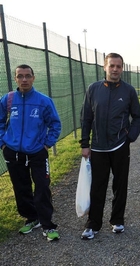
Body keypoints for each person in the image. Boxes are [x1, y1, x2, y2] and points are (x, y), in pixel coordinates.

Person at [79, 53, 140, 240]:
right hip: (98, 147)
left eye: (119, 66)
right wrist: (85, 144)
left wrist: (130, 137)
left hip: (120, 146)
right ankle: (93, 224)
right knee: (97, 186)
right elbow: (86, 118)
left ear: (122, 68)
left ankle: (117, 220)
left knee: (120, 184)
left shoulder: (128, 90)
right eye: (112, 65)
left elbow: (138, 117)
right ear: (105, 67)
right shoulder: (93, 89)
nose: (115, 69)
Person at [0, 64, 62, 241]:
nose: (24, 79)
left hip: (37, 152)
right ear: (15, 79)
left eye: (28, 76)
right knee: (21, 188)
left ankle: (48, 225)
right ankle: (32, 218)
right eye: (20, 76)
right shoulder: (8, 99)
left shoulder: (43, 101)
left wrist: (47, 144)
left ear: (34, 78)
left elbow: (55, 124)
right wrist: (3, 144)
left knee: (42, 187)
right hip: (13, 152)